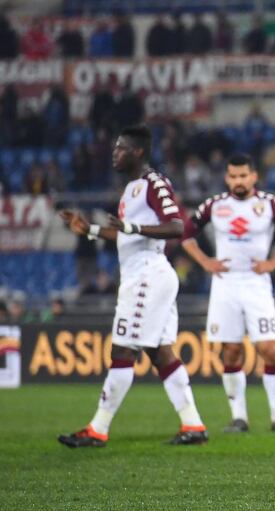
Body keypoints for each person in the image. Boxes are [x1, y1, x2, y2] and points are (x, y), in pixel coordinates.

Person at [57, 125, 207, 447]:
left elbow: (177, 226)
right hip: (147, 275)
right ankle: (193, 425)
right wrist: (89, 230)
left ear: (138, 151)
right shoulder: (131, 189)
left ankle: (98, 428)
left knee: (122, 350)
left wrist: (133, 225)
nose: (115, 153)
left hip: (147, 276)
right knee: (160, 353)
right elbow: (126, 232)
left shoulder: (154, 182)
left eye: (121, 148)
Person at [182, 153, 275, 433]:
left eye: (243, 176)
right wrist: (205, 262)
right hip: (225, 284)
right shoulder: (214, 205)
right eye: (233, 176)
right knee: (231, 351)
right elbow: (185, 232)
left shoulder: (269, 204)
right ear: (227, 178)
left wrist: (274, 262)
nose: (238, 181)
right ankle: (239, 417)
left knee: (269, 349)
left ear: (254, 176)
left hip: (256, 284)